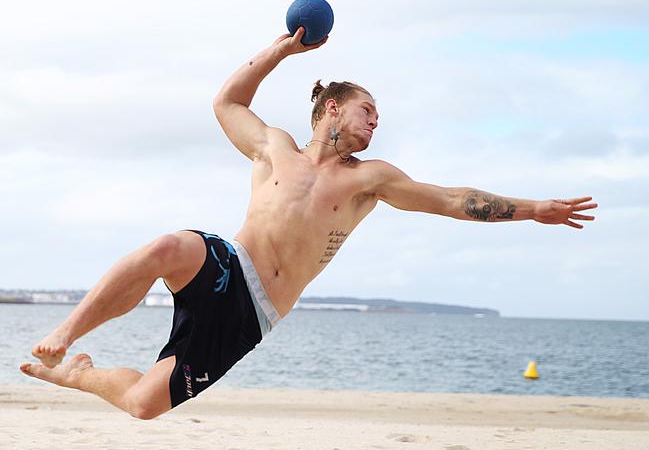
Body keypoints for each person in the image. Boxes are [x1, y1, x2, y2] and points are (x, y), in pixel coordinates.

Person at [20, 28, 597, 419]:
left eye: (378, 117)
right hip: (227, 263)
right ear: (333, 109)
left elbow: (448, 198)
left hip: (256, 311)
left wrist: (532, 209)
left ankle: (75, 375)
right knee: (169, 244)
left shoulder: (368, 178)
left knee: (145, 404)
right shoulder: (274, 147)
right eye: (368, 110)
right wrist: (279, 53)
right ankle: (68, 333)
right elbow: (225, 104)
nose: (376, 123)